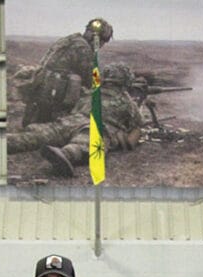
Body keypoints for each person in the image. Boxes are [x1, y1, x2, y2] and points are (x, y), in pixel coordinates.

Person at [8, 63, 144, 178]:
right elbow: (138, 124)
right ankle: (66, 154)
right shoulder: (127, 102)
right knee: (84, 143)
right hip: (97, 126)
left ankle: (9, 141)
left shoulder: (91, 92)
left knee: (40, 134)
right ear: (126, 82)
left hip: (71, 121)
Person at [16, 18, 114, 127]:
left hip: (40, 91)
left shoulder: (69, 40)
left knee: (32, 127)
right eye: (102, 41)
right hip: (55, 98)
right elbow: (90, 81)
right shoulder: (83, 48)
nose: (101, 45)